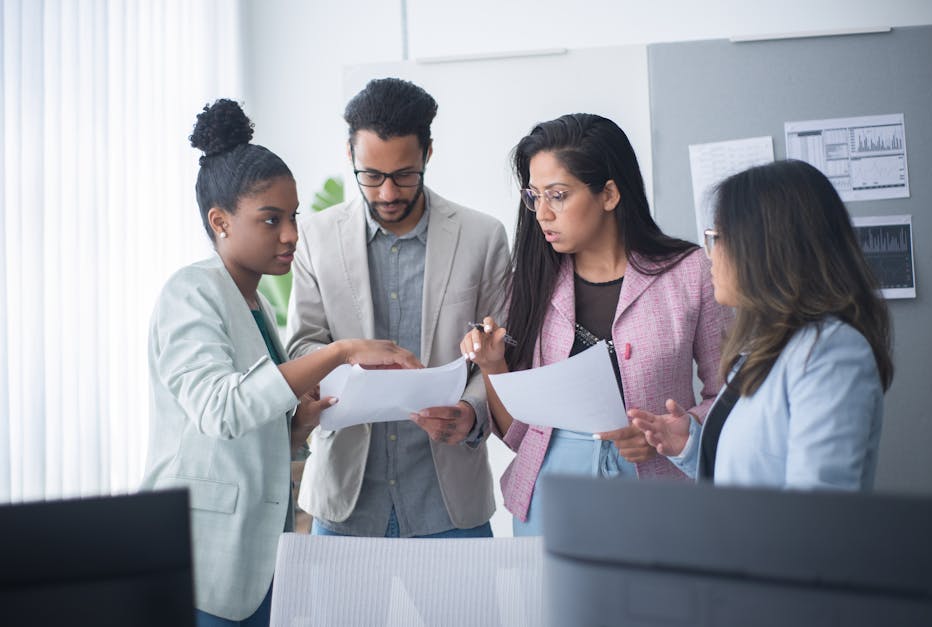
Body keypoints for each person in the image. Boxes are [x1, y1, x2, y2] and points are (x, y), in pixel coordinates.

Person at [139, 99, 421, 627]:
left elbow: (247, 434)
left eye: (293, 217)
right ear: (219, 222)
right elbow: (221, 410)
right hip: (199, 563)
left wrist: (297, 429)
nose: (291, 234)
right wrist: (340, 351)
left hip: (259, 561)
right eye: (271, 219)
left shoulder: (257, 303)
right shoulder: (190, 293)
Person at [462, 113, 731, 536]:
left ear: (608, 194)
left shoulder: (690, 271)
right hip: (549, 496)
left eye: (558, 195)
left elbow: (730, 394)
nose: (542, 214)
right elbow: (519, 435)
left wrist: (678, 433)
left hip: (659, 494)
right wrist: (493, 367)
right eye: (535, 196)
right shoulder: (530, 282)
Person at [286, 78, 511, 538]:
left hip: (448, 501)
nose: (387, 193)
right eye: (371, 175)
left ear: (428, 154)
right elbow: (302, 346)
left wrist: (470, 413)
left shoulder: (482, 238)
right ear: (349, 155)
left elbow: (502, 353)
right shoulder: (315, 236)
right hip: (345, 498)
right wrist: (347, 354)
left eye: (404, 175)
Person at [631, 159, 893, 490]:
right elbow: (751, 475)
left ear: (766, 247)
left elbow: (816, 509)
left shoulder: (832, 351)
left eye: (717, 237)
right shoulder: (768, 346)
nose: (710, 255)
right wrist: (692, 445)